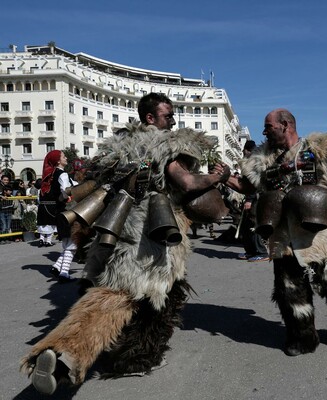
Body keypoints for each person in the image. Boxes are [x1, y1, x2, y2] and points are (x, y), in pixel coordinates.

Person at [21, 92, 229, 395]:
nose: (173, 121)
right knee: (140, 297)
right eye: (168, 115)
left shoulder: (120, 148)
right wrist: (214, 178)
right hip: (153, 237)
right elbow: (186, 183)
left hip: (114, 230)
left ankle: (63, 355)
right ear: (150, 118)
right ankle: (129, 359)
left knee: (109, 294)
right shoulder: (167, 145)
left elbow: (94, 180)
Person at [221, 108, 327, 356]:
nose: (264, 132)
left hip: (321, 232)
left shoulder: (316, 149)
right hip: (283, 234)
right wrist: (224, 177)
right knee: (290, 290)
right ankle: (302, 337)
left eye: (268, 127)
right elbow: (245, 186)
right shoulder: (260, 159)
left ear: (286, 125)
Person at [36, 150, 79, 282]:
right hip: (65, 212)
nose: (66, 158)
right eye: (63, 156)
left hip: (57, 212)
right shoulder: (62, 174)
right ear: (58, 161)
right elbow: (66, 191)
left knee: (68, 243)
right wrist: (65, 198)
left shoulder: (52, 175)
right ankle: (64, 273)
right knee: (72, 243)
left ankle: (56, 267)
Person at [237, 140, 270, 262]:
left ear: (247, 150)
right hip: (250, 197)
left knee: (253, 225)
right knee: (246, 227)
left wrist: (250, 199)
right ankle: (250, 251)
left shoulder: (254, 161)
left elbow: (254, 183)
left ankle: (261, 252)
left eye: (244, 150)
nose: (243, 153)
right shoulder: (249, 161)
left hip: (256, 198)